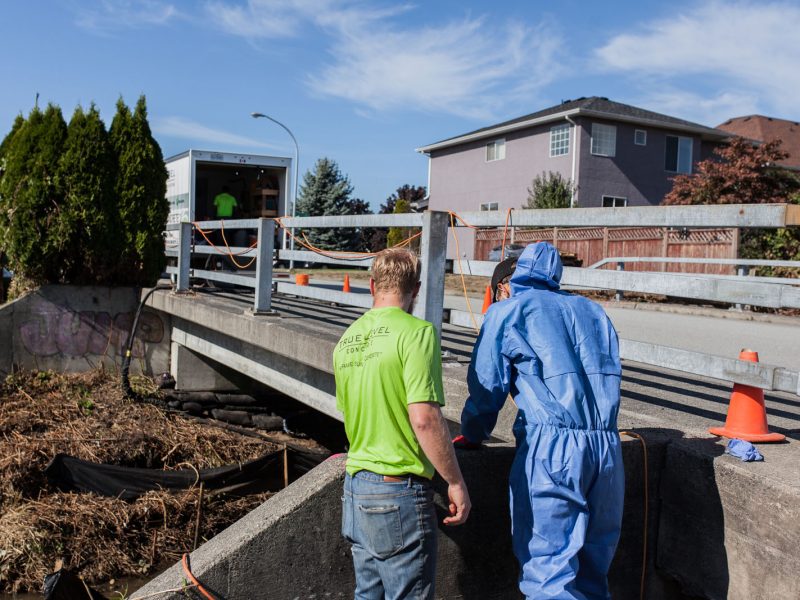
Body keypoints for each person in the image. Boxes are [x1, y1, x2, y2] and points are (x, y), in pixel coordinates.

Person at [457, 242, 624, 599]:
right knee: (593, 574)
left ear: (508, 282)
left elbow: (488, 388)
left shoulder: (508, 312)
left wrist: (473, 432)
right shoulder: (594, 312)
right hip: (607, 454)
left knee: (548, 574)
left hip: (553, 451)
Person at [334, 247, 471, 600]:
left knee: (368, 595)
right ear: (417, 288)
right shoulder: (416, 333)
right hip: (397, 492)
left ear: (372, 285)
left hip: (356, 488)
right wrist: (454, 481)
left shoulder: (346, 341)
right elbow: (424, 419)